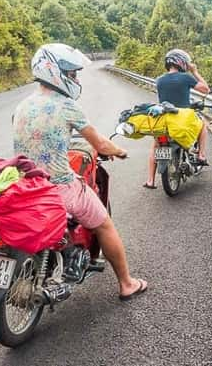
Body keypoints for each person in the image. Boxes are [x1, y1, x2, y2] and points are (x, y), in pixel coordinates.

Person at [13, 43, 148, 301]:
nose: (75, 78)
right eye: (72, 73)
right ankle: (127, 283)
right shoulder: (65, 105)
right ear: (55, 72)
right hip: (59, 187)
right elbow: (100, 144)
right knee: (105, 225)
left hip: (24, 185)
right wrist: (119, 151)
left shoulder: (22, 105)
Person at [143, 49, 210, 189]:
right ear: (181, 62)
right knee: (203, 124)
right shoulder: (186, 78)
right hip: (181, 118)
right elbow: (205, 89)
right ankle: (202, 155)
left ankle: (150, 180)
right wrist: (195, 72)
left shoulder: (159, 80)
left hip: (163, 119)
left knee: (156, 147)